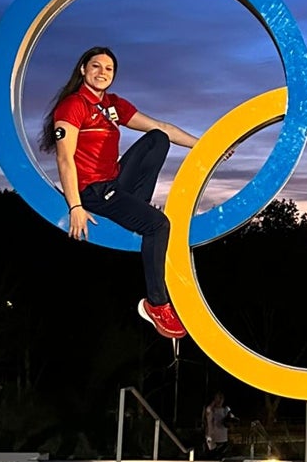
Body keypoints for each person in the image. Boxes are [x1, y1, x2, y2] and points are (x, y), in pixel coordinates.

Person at [39, 46, 211, 339]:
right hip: (92, 191)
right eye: (95, 66)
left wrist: (207, 146)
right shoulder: (73, 105)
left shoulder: (113, 105)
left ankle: (135, 207)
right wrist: (75, 206)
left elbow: (162, 126)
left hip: (115, 183)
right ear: (82, 69)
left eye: (108, 69)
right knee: (159, 225)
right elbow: (64, 159)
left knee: (158, 137)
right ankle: (156, 304)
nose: (102, 73)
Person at [204, 392, 236, 459]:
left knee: (221, 458)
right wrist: (214, 402)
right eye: (218, 398)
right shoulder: (211, 409)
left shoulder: (226, 409)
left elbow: (232, 420)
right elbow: (208, 411)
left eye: (221, 398)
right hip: (213, 439)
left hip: (223, 439)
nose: (220, 400)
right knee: (212, 458)